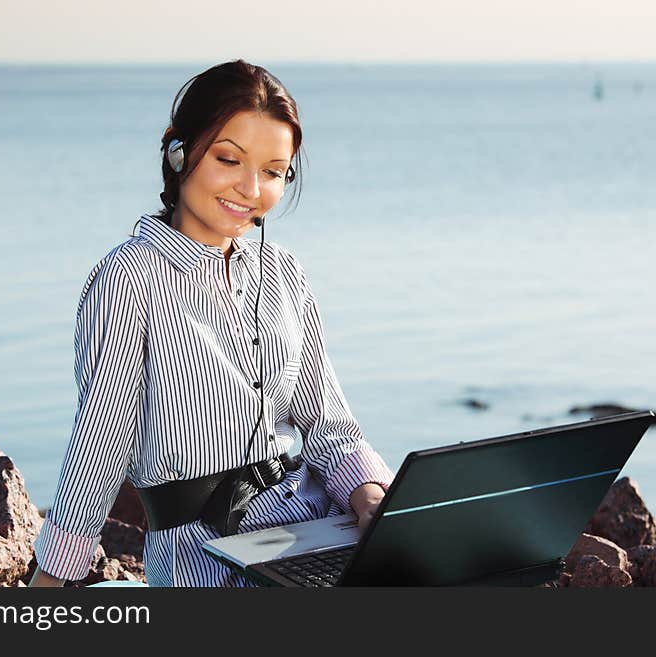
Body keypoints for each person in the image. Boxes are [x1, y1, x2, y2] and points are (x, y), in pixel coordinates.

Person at [29, 59, 394, 587]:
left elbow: (327, 425)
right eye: (229, 159)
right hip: (206, 554)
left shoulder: (283, 272)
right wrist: (51, 581)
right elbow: (100, 445)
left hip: (316, 527)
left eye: (272, 172)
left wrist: (371, 496)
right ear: (180, 152)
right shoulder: (130, 278)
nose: (251, 188)